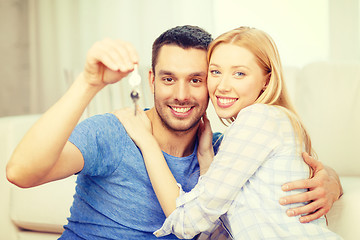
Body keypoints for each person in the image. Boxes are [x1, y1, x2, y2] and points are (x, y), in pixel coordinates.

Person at [6, 25, 342, 239]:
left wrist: (331, 181)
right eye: (168, 79)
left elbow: (287, 169)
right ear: (152, 80)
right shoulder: (113, 131)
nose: (181, 94)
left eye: (196, 79)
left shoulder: (223, 151)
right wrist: (88, 83)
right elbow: (21, 173)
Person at [116, 26, 343, 239]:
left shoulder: (258, 119)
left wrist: (147, 142)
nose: (223, 86)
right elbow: (216, 225)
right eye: (215, 72)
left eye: (239, 74)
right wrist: (207, 158)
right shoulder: (272, 122)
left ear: (267, 79)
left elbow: (187, 223)